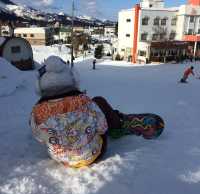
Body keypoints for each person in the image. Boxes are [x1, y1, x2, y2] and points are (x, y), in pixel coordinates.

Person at [30, 56, 163, 168]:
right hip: (93, 154)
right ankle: (118, 124)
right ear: (73, 79)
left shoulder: (37, 111)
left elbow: (39, 137)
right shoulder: (85, 101)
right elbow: (102, 126)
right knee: (99, 102)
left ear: (40, 86)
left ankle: (114, 122)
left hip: (63, 160)